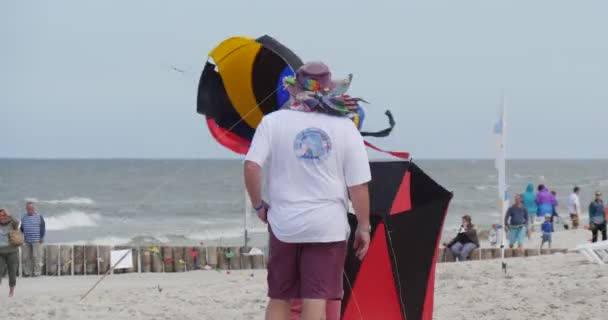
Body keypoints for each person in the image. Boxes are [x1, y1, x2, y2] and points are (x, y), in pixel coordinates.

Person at [244, 61, 371, 320]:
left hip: (284, 223)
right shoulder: (345, 127)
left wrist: (259, 205)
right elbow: (358, 185)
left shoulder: (272, 122)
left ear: (294, 90)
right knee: (316, 297)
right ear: (330, 93)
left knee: (280, 296)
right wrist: (364, 226)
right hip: (328, 225)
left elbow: (251, 166)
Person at [20, 202, 45, 277]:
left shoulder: (39, 217)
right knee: (25, 257)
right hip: (26, 240)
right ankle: (27, 272)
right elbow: (22, 228)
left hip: (36, 240)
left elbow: (43, 228)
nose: (30, 210)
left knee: (36, 257)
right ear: (26, 209)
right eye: (28, 208)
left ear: (34, 209)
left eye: (31, 208)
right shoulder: (24, 217)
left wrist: (41, 237)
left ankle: (37, 272)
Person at [0, 208, 20, 297]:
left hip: (12, 251)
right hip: (0, 252)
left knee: (12, 272)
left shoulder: (12, 224)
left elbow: (17, 222)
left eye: (4, 215)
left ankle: (11, 291)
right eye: (0, 215)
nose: (2, 217)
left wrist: (9, 215)